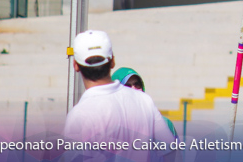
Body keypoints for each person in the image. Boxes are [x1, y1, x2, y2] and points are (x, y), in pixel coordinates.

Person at [64, 30, 176, 160]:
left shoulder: (79, 115)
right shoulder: (144, 101)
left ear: (75, 65)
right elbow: (171, 152)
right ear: (112, 61)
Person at [112, 67, 180, 139]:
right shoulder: (109, 126)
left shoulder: (165, 124)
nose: (134, 89)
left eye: (137, 84)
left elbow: (174, 149)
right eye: (127, 86)